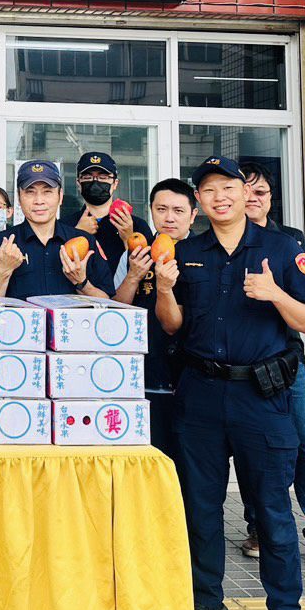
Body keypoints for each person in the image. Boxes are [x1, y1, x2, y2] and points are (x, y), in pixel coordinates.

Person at [155, 156, 305, 610]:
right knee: (200, 505)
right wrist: (165, 289)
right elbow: (172, 325)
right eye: (208, 190)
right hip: (201, 394)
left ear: (245, 193)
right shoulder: (187, 252)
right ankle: (206, 600)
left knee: (271, 508)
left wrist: (274, 294)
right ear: (199, 201)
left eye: (227, 187)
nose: (219, 197)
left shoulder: (282, 249)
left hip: (261, 396)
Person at [235, 163, 305, 574]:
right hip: (244, 366)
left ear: (271, 198)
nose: (253, 199)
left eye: (261, 193)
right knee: (253, 451)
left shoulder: (291, 241)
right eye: (246, 191)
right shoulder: (224, 241)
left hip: (287, 363)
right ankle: (258, 528)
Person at [113, 177, 196, 463]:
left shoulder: (204, 254)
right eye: (161, 209)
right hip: (144, 374)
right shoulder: (136, 253)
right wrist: (134, 275)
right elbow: (117, 313)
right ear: (151, 211)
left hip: (191, 377)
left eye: (178, 210)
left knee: (188, 463)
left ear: (193, 215)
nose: (169, 218)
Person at [0, 160, 115, 300]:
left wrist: (82, 282)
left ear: (60, 196)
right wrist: (3, 270)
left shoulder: (84, 241)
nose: (39, 201)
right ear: (19, 197)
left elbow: (106, 301)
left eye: (47, 192)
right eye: (30, 192)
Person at [71, 151, 151, 271]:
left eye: (103, 177)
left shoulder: (137, 225)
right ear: (78, 183)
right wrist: (77, 234)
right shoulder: (65, 225)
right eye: (87, 177)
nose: (95, 182)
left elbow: (148, 272)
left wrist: (128, 238)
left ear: (115, 183)